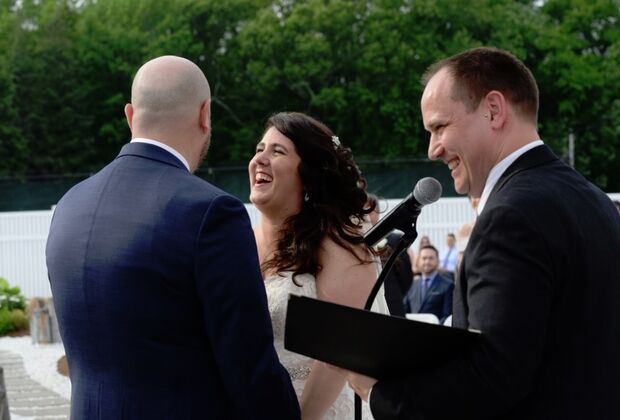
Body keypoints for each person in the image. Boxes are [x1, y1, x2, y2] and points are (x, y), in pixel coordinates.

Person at [345, 47, 620, 419]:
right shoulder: (593, 199)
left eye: (439, 127)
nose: (432, 150)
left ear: (493, 110)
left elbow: (494, 376)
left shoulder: (510, 216)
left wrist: (381, 396)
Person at [46, 56, 300, 419]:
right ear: (205, 114)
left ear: (130, 115)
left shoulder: (70, 205)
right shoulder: (211, 212)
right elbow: (250, 367)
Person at [249, 112, 388, 419]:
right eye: (259, 149)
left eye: (277, 151)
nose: (260, 159)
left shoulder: (340, 244)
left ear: (308, 174)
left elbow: (339, 351)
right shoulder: (240, 241)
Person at [402, 245, 453, 323]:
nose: (427, 262)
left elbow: (447, 316)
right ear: (419, 261)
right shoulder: (411, 285)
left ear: (438, 261)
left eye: (431, 258)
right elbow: (404, 311)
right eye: (424, 258)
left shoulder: (448, 285)